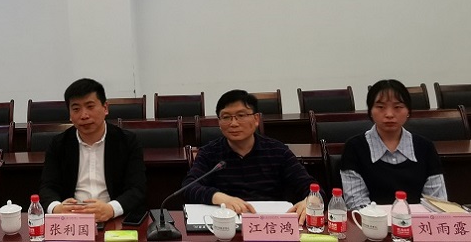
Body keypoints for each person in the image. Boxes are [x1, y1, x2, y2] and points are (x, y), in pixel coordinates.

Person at [182, 90, 314, 223]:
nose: (234, 123)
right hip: (226, 223)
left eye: (241, 115)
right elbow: (188, 187)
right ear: (219, 123)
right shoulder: (209, 153)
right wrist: (219, 198)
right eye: (226, 117)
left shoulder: (278, 151)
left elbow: (311, 186)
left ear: (256, 119)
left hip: (269, 223)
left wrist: (311, 200)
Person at [39, 78, 147, 222]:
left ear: (105, 108)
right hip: (72, 221)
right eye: (76, 109)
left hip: (114, 219)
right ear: (70, 114)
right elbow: (47, 187)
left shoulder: (127, 141)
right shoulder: (58, 144)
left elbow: (137, 188)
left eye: (90, 106)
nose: (84, 115)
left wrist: (111, 209)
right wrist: (57, 208)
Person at [340, 79, 447, 209]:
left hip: (418, 221)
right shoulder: (355, 147)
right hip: (371, 221)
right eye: (380, 107)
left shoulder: (425, 147)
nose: (389, 114)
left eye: (398, 107)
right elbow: (356, 203)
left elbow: (437, 202)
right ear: (370, 111)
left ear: (408, 111)